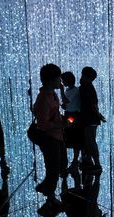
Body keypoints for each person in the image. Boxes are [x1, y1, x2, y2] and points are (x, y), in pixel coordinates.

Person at [33, 64, 69, 199]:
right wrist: (61, 124)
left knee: (60, 164)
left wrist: (62, 122)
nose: (60, 81)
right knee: (53, 168)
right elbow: (43, 125)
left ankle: (45, 187)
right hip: (49, 137)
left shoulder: (52, 94)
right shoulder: (43, 98)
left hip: (57, 136)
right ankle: (50, 198)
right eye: (58, 78)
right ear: (49, 81)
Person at [79, 67, 105, 175]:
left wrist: (98, 115)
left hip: (91, 119)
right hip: (87, 119)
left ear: (89, 78)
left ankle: (97, 165)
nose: (81, 77)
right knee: (87, 142)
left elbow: (93, 104)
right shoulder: (84, 87)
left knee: (90, 142)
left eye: (84, 76)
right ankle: (89, 162)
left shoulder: (89, 88)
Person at [60, 71, 83, 174]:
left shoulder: (74, 90)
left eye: (63, 80)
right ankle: (73, 161)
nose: (62, 82)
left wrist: (61, 91)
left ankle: (75, 161)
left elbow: (66, 101)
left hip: (73, 116)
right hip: (69, 114)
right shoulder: (69, 90)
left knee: (75, 138)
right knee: (69, 136)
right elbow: (65, 103)